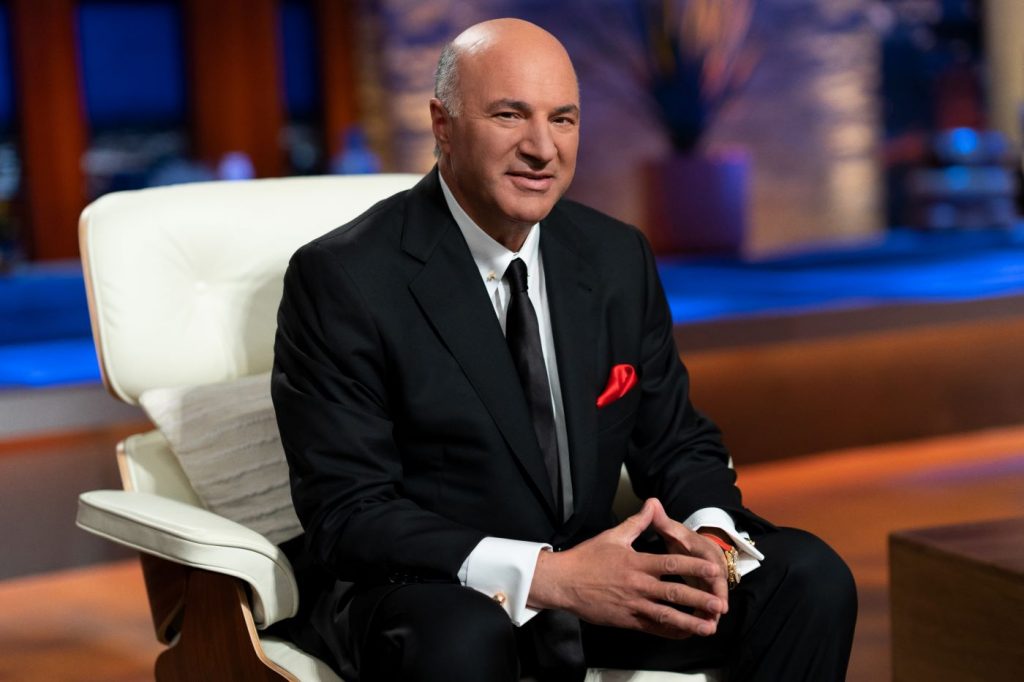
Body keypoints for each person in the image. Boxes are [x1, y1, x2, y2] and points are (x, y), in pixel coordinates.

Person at [271, 17, 856, 682]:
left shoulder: (615, 257)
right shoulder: (344, 278)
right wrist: (549, 577)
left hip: (595, 574)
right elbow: (349, 514)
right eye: (510, 115)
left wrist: (712, 539)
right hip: (430, 589)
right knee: (463, 637)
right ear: (442, 124)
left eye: (564, 119)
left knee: (808, 577)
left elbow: (676, 441)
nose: (542, 148)